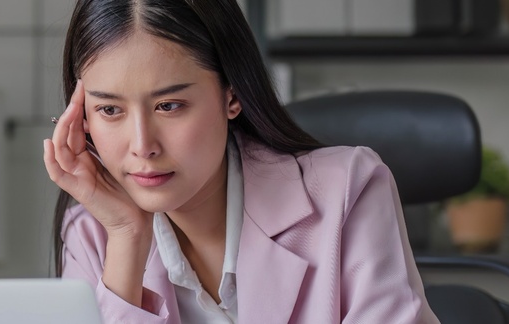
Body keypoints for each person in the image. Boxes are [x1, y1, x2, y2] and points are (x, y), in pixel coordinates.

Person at [42, 0, 440, 323]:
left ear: (231, 95)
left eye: (169, 105)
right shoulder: (93, 234)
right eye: (110, 110)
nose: (142, 146)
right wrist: (128, 238)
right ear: (83, 117)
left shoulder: (349, 190)